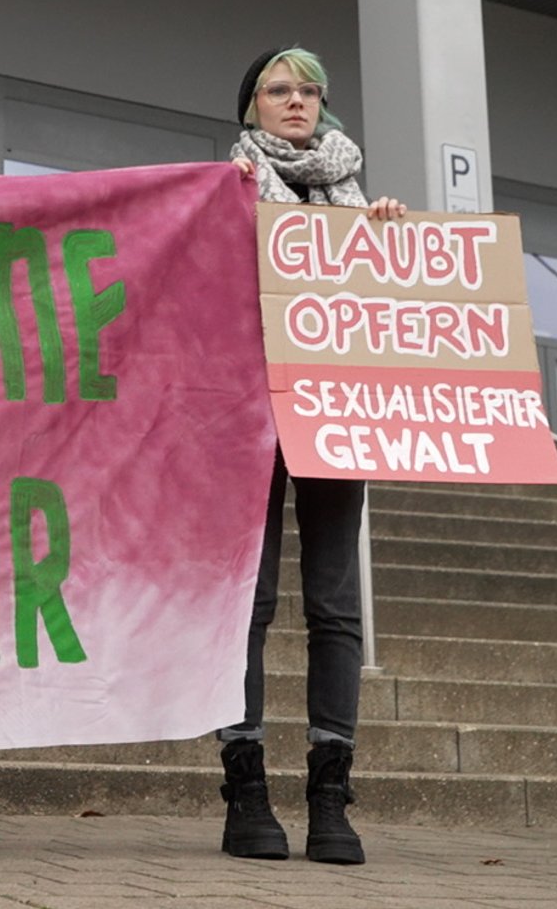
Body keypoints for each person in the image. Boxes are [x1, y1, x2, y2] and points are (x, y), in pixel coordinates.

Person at [219, 46, 405, 866]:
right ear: (251, 106)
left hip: (334, 410)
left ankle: (331, 796)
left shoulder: (357, 197)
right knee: (247, 604)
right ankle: (246, 793)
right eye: (278, 88)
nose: (296, 100)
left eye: (310, 90)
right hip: (246, 413)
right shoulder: (222, 190)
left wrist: (388, 245)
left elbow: (388, 310)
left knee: (335, 606)